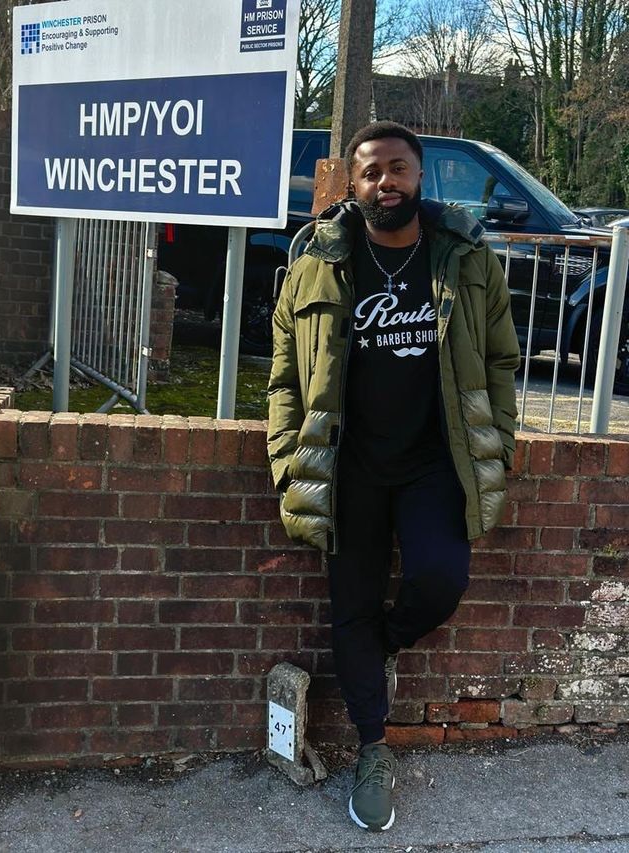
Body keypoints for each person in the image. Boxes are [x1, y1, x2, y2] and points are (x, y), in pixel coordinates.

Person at [267, 121, 520, 833]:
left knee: (440, 578)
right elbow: (284, 372)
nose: (387, 181)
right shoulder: (317, 262)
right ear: (354, 184)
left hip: (433, 463)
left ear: (419, 176)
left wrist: (499, 445)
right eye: (372, 171)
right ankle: (373, 748)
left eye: (399, 168)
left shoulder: (466, 258)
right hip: (347, 467)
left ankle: (380, 642)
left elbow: (502, 360)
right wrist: (287, 457)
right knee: (349, 605)